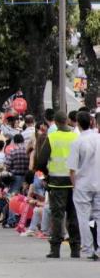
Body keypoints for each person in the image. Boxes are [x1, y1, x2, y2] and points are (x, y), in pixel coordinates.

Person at [35, 110, 81, 259]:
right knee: (73, 215)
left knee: (57, 216)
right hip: (74, 182)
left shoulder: (52, 137)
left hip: (56, 183)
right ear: (67, 121)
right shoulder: (76, 137)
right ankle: (75, 248)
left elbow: (41, 161)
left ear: (55, 122)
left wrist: (47, 174)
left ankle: (55, 249)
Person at [67, 110, 100, 260]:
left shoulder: (77, 142)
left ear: (78, 124)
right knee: (99, 217)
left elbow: (72, 169)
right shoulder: (98, 138)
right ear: (92, 122)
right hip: (98, 182)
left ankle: (88, 248)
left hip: (82, 183)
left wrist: (74, 185)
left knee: (83, 217)